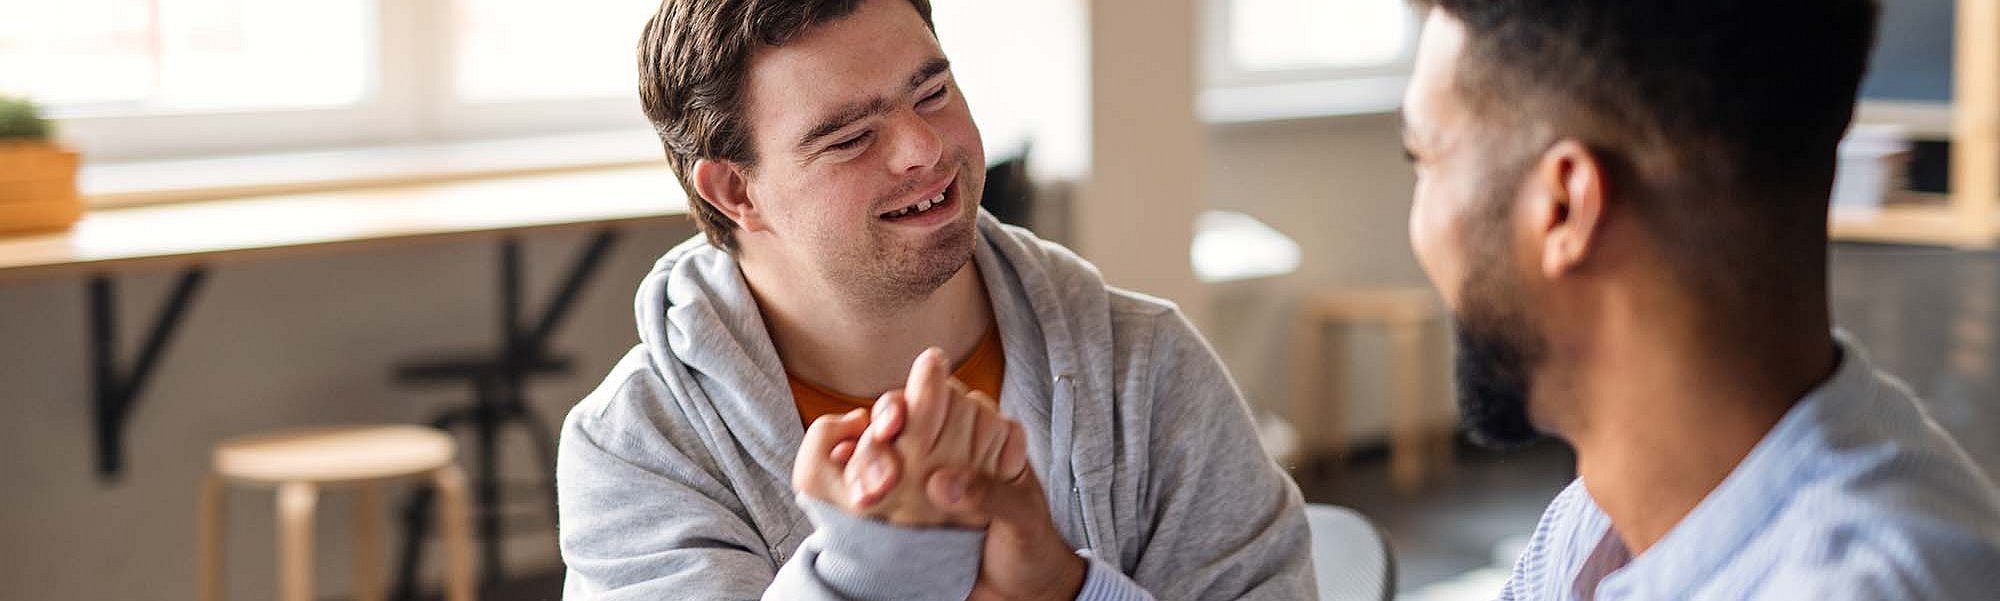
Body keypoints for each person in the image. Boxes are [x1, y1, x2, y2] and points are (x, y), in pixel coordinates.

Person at [555, 0, 1313, 598]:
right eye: (849, 136)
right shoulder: (636, 448)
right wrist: (876, 563)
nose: (923, 147)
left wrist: (1064, 589)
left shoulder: (1148, 369)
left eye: (933, 91)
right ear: (735, 190)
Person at [1399, 0, 2000, 598]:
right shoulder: (1595, 523)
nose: (1417, 224)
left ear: (1564, 208)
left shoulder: (1865, 583)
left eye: (1423, 158)